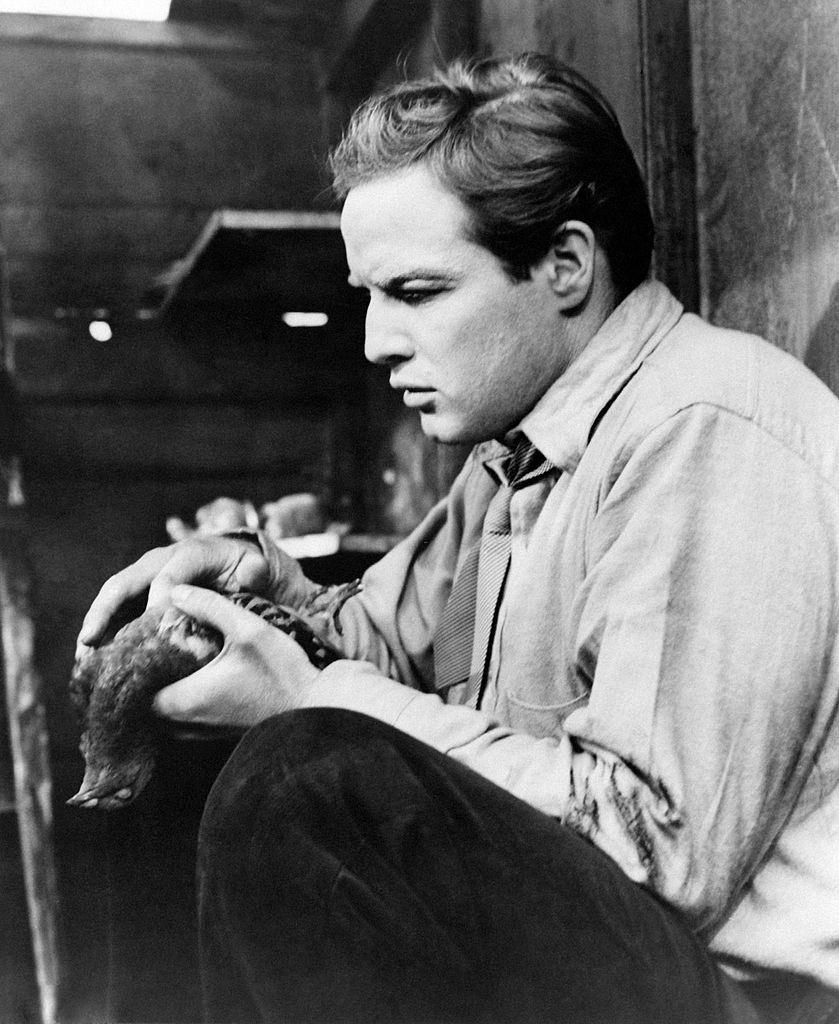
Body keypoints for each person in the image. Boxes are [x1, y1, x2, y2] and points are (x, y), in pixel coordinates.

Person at [78, 54, 839, 1024]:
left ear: (563, 265)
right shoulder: (512, 455)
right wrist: (249, 587)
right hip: (605, 959)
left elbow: (656, 855)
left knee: (305, 781)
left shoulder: (705, 429)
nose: (374, 341)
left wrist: (307, 695)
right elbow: (376, 638)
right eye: (367, 294)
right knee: (216, 749)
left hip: (746, 1003)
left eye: (415, 291)